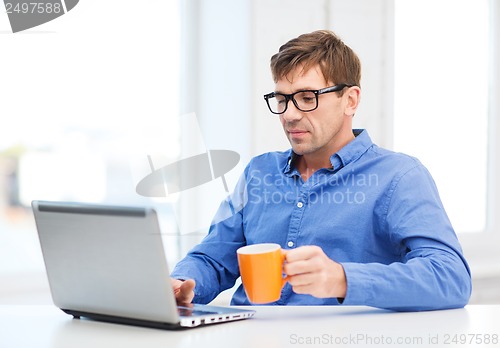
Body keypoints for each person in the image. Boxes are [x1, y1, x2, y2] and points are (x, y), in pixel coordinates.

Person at [170, 30, 471, 311]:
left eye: (307, 98)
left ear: (350, 100)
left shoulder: (399, 176)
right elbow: (212, 259)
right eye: (281, 99)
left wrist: (342, 279)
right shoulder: (259, 172)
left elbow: (451, 277)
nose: (289, 114)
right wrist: (180, 284)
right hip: (248, 336)